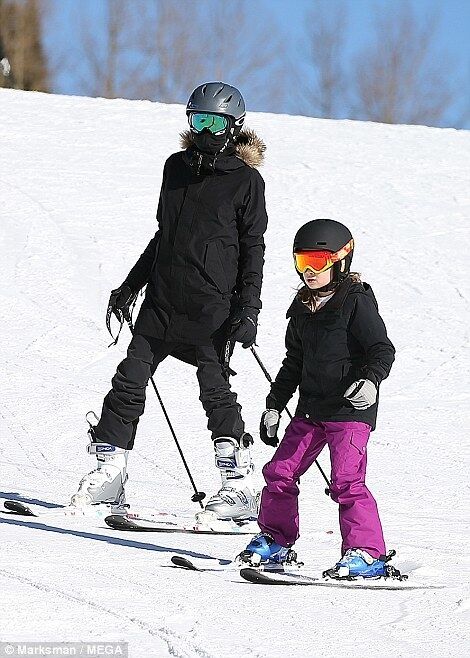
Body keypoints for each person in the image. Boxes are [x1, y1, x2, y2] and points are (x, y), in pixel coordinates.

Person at [71, 82, 268, 521]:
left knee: (216, 393)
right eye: (197, 119)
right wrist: (129, 286)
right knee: (128, 382)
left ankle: (237, 485)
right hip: (161, 303)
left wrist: (248, 310)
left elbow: (253, 249)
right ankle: (110, 473)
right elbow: (164, 236)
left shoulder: (246, 182)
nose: (204, 129)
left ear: (234, 125)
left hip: (211, 309)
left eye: (214, 121)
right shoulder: (174, 169)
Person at [240, 219, 397, 578]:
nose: (309, 271)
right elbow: (293, 363)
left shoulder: (355, 302)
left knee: (346, 481)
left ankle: (367, 554)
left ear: (340, 260)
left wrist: (370, 381)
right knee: (279, 472)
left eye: (318, 261)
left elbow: (381, 350)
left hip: (349, 410)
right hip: (310, 410)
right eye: (302, 262)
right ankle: (276, 542)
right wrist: (274, 405)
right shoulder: (301, 307)